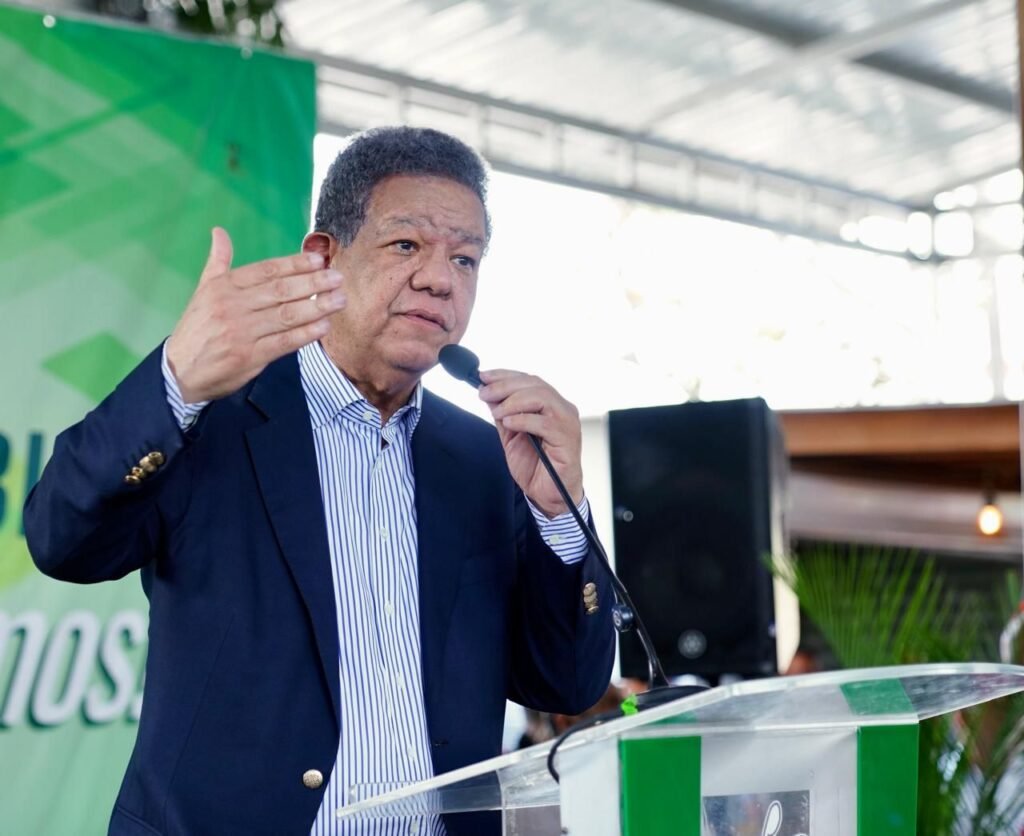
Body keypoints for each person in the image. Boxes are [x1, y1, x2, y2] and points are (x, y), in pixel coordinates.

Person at [24, 127, 616, 836]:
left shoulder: (487, 458)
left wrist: (559, 514)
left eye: (465, 258)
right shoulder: (213, 416)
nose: (440, 279)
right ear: (323, 258)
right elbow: (61, 540)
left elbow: (565, 682)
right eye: (407, 245)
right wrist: (175, 378)